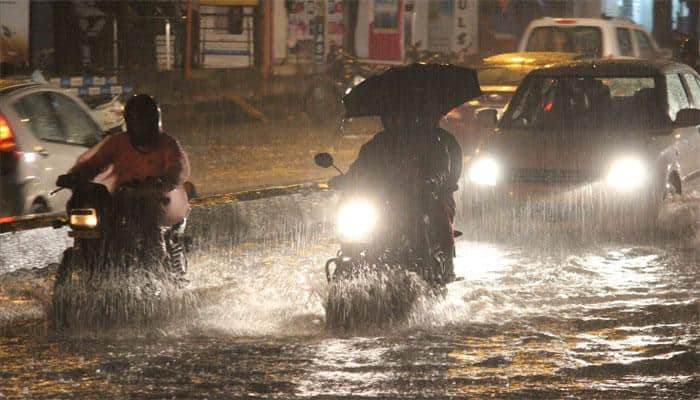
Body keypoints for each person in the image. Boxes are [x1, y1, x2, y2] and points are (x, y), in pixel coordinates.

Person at [333, 111, 461, 283]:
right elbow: (359, 169)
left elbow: (441, 170)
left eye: (398, 115)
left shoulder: (431, 142)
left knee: (437, 219)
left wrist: (429, 183)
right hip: (380, 204)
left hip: (418, 201)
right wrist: (344, 180)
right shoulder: (375, 144)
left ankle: (439, 270)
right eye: (390, 116)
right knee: (351, 237)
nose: (394, 120)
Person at [60, 94, 190, 257]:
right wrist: (75, 176)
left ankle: (157, 261)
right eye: (135, 121)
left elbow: (178, 170)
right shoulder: (118, 143)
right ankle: (91, 253)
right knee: (95, 215)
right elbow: (94, 164)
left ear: (153, 121)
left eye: (143, 121)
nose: (139, 127)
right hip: (120, 200)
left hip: (154, 201)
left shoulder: (167, 144)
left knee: (148, 220)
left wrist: (160, 182)